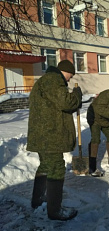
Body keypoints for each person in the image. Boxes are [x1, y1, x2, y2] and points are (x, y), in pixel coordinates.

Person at [27, 59, 82, 221]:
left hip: (42, 135)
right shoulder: (53, 79)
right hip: (50, 136)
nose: (69, 79)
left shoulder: (45, 81)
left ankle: (37, 200)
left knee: (45, 166)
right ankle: (55, 210)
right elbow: (66, 102)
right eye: (70, 76)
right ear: (64, 71)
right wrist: (77, 95)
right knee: (57, 168)